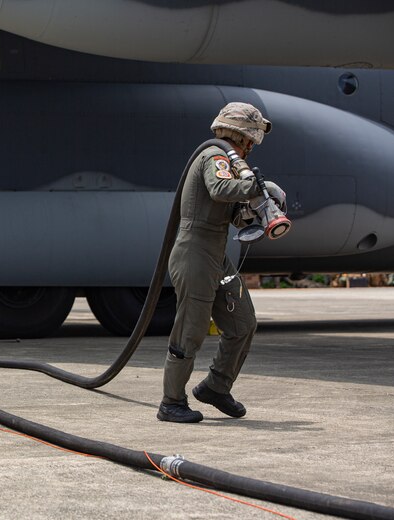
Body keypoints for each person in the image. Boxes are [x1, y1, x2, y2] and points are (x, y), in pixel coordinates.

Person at [158, 102, 284, 423]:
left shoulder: (230, 160)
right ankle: (171, 401)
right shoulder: (215, 157)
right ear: (240, 135)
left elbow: (232, 214)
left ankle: (216, 386)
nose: (252, 147)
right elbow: (220, 188)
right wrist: (259, 187)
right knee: (191, 331)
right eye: (250, 140)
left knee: (243, 323)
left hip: (215, 255)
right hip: (195, 253)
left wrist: (255, 209)